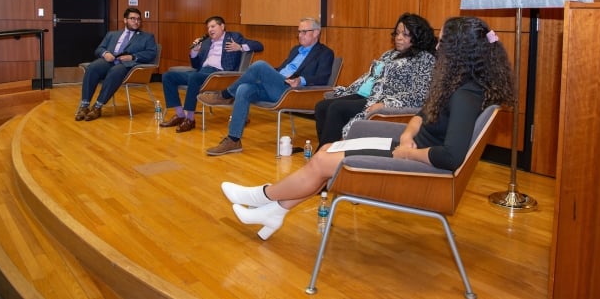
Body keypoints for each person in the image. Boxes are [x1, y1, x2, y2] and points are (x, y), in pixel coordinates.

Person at [219, 16, 514, 240]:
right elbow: (423, 114)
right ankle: (274, 213)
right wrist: (409, 135)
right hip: (405, 146)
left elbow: (451, 157)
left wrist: (408, 152)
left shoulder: (467, 94)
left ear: (459, 50)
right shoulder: (455, 82)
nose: (438, 45)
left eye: (444, 41)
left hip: (416, 164)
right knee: (326, 149)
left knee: (322, 160)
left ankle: (263, 196)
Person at [198, 17, 334, 156]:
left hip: (294, 92)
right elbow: (281, 70)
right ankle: (234, 140)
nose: (300, 35)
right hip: (278, 86)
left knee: (259, 65)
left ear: (316, 32)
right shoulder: (295, 50)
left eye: (304, 32)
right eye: (299, 32)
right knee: (243, 89)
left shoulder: (325, 53)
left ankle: (225, 95)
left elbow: (322, 78)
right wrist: (263, 75)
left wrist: (301, 80)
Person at [314, 13, 437, 147]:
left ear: (418, 36)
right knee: (321, 106)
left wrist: (386, 103)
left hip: (386, 100)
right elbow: (371, 77)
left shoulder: (424, 59)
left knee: (337, 109)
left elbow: (420, 95)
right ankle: (327, 150)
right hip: (372, 95)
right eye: (397, 33)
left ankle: (326, 153)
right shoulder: (390, 54)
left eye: (405, 35)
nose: (399, 38)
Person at [159, 16, 264, 133]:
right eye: (208, 27)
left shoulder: (234, 37)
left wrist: (240, 47)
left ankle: (190, 119)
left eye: (213, 26)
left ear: (222, 26)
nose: (210, 30)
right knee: (168, 76)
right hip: (201, 73)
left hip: (219, 75)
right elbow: (195, 65)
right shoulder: (206, 42)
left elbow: (259, 45)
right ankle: (180, 115)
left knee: (194, 77)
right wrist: (194, 52)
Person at [75, 7, 158, 122]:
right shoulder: (112, 34)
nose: (136, 21)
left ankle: (98, 107)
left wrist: (132, 57)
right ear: (125, 20)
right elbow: (99, 49)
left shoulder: (147, 37)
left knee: (115, 71)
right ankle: (84, 105)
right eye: (132, 19)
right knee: (93, 67)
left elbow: (151, 53)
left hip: (128, 66)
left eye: (138, 19)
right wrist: (105, 53)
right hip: (109, 61)